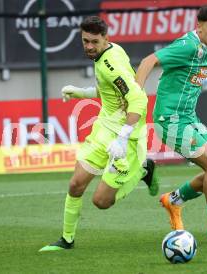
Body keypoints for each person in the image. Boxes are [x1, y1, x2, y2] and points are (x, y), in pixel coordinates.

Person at [39, 16, 158, 252]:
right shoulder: (107, 54)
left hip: (127, 137)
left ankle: (144, 168)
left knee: (101, 202)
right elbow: (111, 90)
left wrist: (123, 138)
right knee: (75, 185)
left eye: (94, 41)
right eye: (85, 41)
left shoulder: (111, 65)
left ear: (106, 38)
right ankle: (67, 240)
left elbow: (138, 99)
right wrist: (81, 92)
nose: (89, 46)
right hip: (104, 128)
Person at [136, 4, 207, 243]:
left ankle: (174, 200)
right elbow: (149, 60)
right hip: (170, 122)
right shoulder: (188, 45)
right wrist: (136, 96)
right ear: (198, 26)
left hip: (189, 119)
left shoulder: (206, 47)